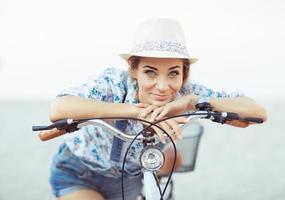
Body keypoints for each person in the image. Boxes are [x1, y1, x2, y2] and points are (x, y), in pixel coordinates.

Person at [41, 18, 267, 200]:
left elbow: (257, 112)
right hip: (80, 172)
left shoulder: (187, 92)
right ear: (134, 69)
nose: (162, 86)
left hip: (129, 180)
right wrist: (134, 111)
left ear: (184, 74)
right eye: (150, 72)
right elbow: (59, 107)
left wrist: (191, 102)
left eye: (173, 73)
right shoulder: (112, 83)